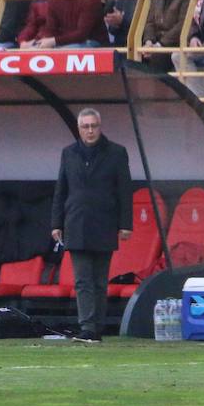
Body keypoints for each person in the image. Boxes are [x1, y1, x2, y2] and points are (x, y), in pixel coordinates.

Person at [50, 108, 132, 342]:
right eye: (85, 126)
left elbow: (124, 190)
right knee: (82, 279)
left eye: (93, 126)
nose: (90, 130)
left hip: (104, 222)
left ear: (100, 126)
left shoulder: (116, 153)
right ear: (79, 129)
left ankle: (97, 326)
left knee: (99, 280)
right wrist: (56, 222)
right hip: (75, 222)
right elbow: (61, 189)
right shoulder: (69, 153)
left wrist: (126, 223)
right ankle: (87, 326)